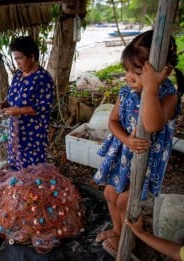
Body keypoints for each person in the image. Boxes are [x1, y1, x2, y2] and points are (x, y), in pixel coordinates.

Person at [92, 30, 184, 256]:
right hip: (122, 153)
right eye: (127, 70)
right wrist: (126, 139)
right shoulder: (125, 92)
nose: (128, 77)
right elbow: (113, 121)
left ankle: (129, 238)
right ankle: (117, 229)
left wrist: (151, 88)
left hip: (144, 161)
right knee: (110, 194)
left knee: (126, 201)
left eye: (136, 72)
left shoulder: (168, 96)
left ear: (163, 73)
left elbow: (152, 125)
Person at [1, 36, 54, 171]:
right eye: (15, 59)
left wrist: (18, 111)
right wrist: (5, 104)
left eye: (20, 58)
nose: (17, 63)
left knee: (33, 166)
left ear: (31, 57)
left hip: (34, 133)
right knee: (16, 161)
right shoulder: (18, 75)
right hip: (17, 129)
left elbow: (45, 107)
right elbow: (12, 97)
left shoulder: (43, 78)